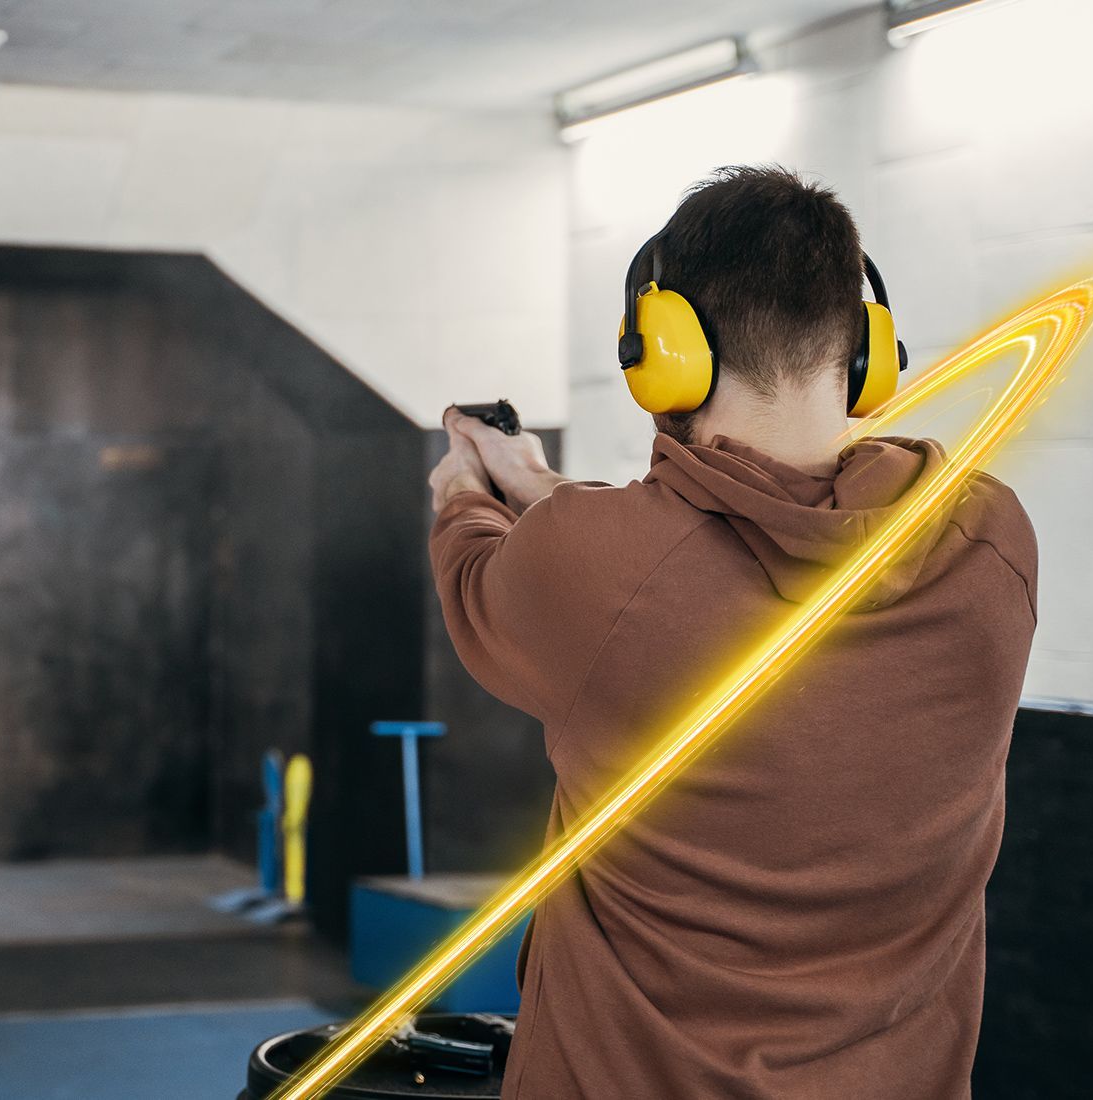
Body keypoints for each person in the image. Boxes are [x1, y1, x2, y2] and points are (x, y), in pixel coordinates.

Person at [428, 166, 1038, 1099]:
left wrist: (467, 491)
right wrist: (544, 488)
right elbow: (687, 555)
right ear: (868, 350)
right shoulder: (989, 543)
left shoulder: (593, 566)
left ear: (664, 352)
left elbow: (497, 574)